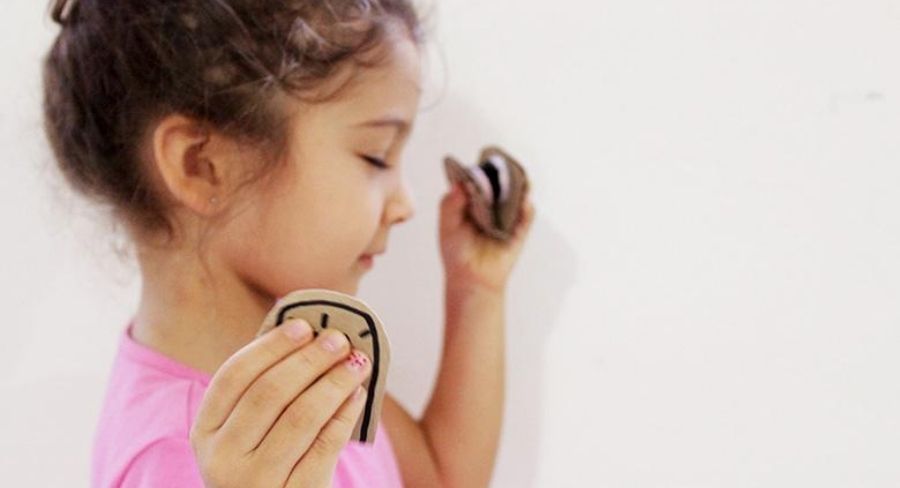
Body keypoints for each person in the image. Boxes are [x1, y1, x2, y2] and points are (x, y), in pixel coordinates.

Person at [42, 0, 534, 486]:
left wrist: (477, 289)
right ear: (203, 166)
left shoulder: (309, 363)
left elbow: (437, 478)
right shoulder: (176, 459)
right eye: (375, 156)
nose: (405, 203)